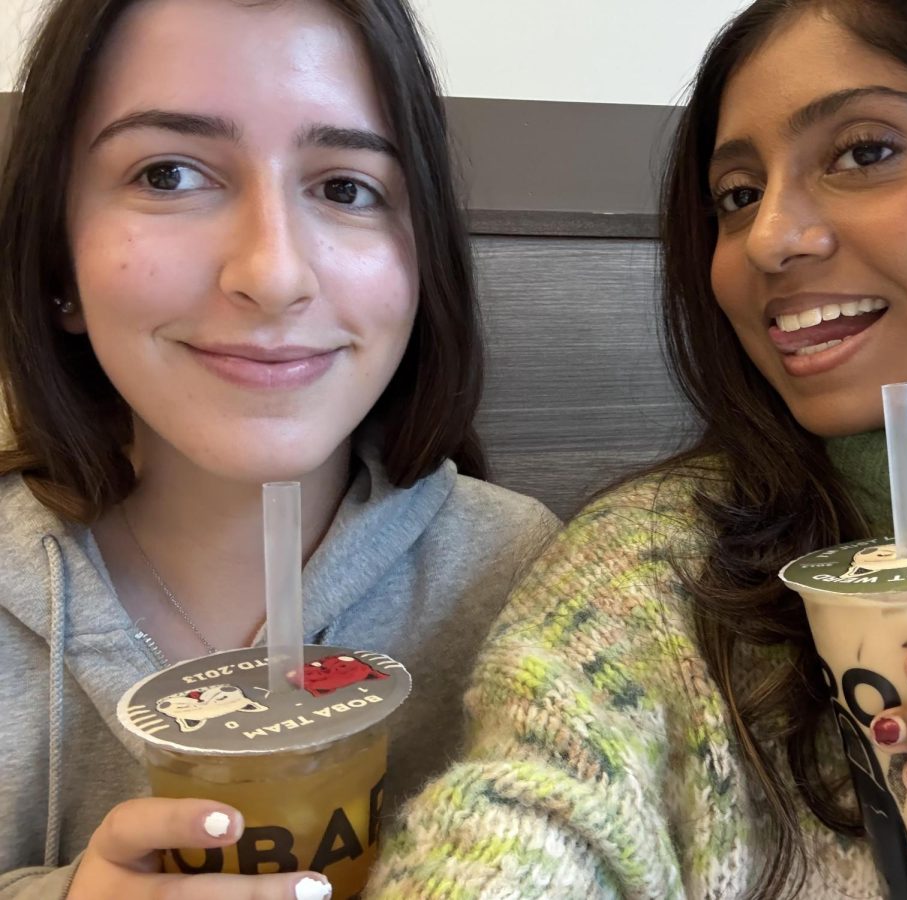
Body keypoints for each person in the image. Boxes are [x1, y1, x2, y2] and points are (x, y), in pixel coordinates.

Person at [367, 1, 907, 897]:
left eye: (864, 151)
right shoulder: (651, 571)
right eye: (737, 195)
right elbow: (523, 817)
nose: (767, 239)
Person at [0, 0, 557, 897]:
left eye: (345, 188)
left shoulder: (526, 582)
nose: (272, 274)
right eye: (170, 174)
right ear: (57, 259)